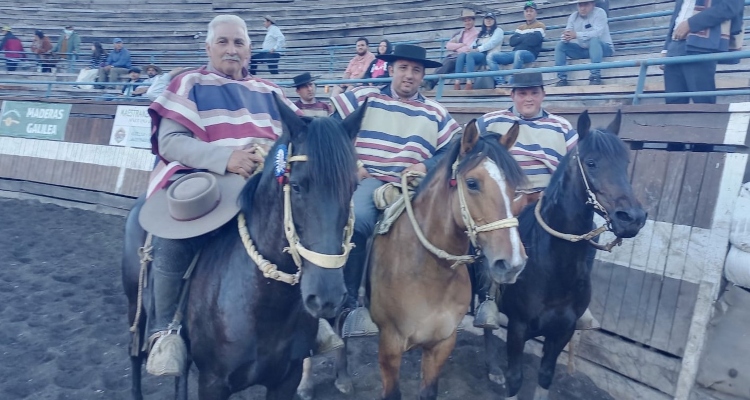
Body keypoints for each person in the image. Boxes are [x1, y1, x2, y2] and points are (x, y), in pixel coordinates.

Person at [141, 14, 302, 377]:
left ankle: (309, 322)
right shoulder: (189, 82)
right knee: (174, 234)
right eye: (224, 42)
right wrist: (225, 158)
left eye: (239, 43)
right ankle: (165, 331)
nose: (232, 49)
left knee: (306, 227)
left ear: (249, 49)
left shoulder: (271, 91)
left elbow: (296, 140)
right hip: (206, 179)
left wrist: (274, 159)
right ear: (209, 47)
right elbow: (170, 141)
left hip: (265, 184)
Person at [330, 43, 461, 322]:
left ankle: (451, 301)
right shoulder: (365, 97)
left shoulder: (435, 112)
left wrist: (425, 165)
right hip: (370, 179)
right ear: (391, 69)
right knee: (359, 219)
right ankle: (350, 304)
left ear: (423, 76)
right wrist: (353, 166)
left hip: (413, 188)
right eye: (403, 68)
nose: (409, 75)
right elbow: (332, 131)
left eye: (416, 70)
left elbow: (454, 147)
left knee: (450, 226)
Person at [473, 72, 597, 330]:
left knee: (589, 234)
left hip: (549, 201)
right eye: (522, 93)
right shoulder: (491, 122)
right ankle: (488, 300)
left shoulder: (562, 128)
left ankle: (578, 300)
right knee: (490, 235)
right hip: (506, 199)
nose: (528, 98)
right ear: (512, 95)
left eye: (533, 93)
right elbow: (469, 151)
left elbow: (577, 166)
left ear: (543, 94)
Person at [661, 0, 744, 104]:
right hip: (674, 46)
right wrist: (666, 48)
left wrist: (691, 24)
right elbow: (678, 14)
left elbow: (731, 7)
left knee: (702, 100)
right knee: (673, 102)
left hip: (702, 44)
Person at [554, 0, 613, 86]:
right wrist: (565, 37)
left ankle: (595, 75)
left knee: (594, 40)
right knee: (560, 45)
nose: (582, 8)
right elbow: (568, 32)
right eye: (580, 5)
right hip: (584, 49)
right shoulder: (573, 16)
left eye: (586, 4)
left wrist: (576, 35)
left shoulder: (600, 13)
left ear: (593, 4)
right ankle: (561, 78)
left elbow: (597, 33)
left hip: (603, 48)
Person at [488, 1, 546, 87]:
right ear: (524, 13)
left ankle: (512, 83)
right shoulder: (520, 27)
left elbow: (534, 41)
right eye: (527, 11)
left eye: (531, 11)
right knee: (491, 56)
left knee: (519, 53)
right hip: (515, 53)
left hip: (530, 54)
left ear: (535, 13)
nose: (528, 13)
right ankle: (501, 83)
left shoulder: (540, 25)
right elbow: (512, 42)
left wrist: (521, 38)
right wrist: (527, 36)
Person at [424, 8, 479, 90]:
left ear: (473, 21)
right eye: (465, 21)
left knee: (448, 61)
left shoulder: (477, 33)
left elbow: (469, 48)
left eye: (469, 20)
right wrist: (460, 45)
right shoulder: (460, 33)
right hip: (456, 55)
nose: (467, 22)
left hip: (466, 56)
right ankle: (430, 82)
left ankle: (430, 81)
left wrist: (458, 48)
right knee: (447, 60)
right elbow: (448, 45)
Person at [454, 12, 503, 90]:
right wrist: (469, 49)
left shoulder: (498, 31)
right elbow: (474, 43)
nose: (488, 21)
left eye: (491, 19)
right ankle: (457, 82)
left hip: (489, 55)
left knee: (470, 55)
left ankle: (469, 82)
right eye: (487, 19)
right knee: (462, 55)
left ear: (494, 21)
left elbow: (491, 44)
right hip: (478, 54)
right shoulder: (482, 33)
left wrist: (477, 49)